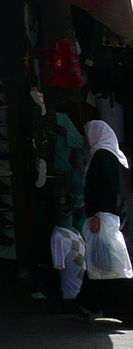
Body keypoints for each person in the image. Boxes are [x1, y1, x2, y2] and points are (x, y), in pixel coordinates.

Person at [79, 119, 132, 322]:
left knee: (108, 262)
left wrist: (99, 215)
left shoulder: (102, 156)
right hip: (119, 217)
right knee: (112, 261)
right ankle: (90, 304)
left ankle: (92, 304)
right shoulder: (117, 157)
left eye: (87, 134)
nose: (85, 139)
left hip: (107, 218)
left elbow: (107, 189)